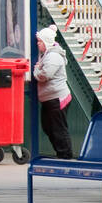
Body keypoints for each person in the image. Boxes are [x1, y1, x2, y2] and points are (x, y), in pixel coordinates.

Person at [33, 25, 73, 159]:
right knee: (48, 127)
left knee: (58, 128)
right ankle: (61, 152)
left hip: (57, 98)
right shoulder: (47, 54)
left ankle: (65, 155)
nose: (38, 44)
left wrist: (36, 70)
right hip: (49, 99)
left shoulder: (53, 56)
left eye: (40, 41)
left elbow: (45, 75)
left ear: (46, 42)